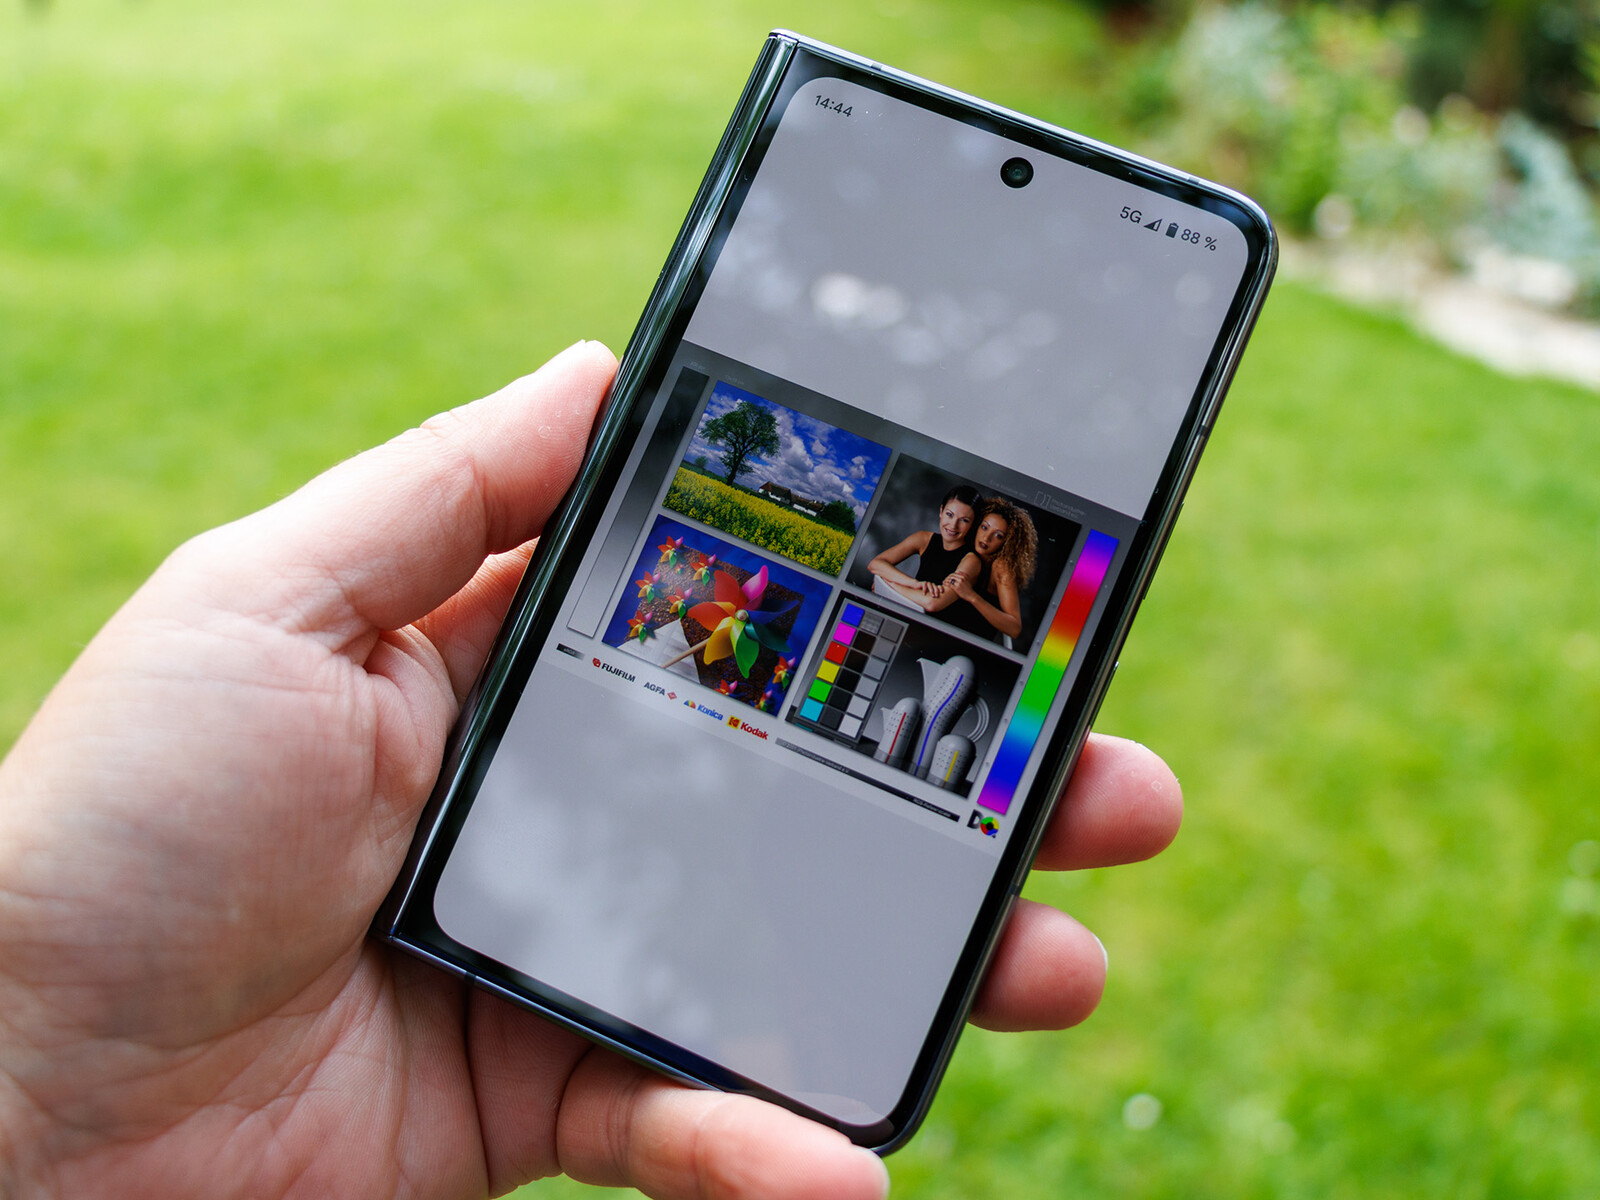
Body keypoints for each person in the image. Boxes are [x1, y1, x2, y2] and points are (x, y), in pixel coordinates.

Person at [0, 343, 1181, 1200]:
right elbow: (883, 567)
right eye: (971, 521)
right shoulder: (915, 537)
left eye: (989, 529)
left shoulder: (998, 569)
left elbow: (994, 614)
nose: (974, 532)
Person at [865, 483, 980, 610]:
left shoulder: (971, 561)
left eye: (964, 520)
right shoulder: (924, 539)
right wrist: (913, 583)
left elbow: (932, 603)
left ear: (973, 524)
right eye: (949, 514)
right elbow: (875, 564)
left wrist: (890, 584)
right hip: (907, 612)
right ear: (941, 511)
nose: (953, 525)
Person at [942, 496, 1039, 644]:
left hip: (969, 647)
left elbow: (1014, 628)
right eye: (984, 527)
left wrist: (971, 596)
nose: (987, 538)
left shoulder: (1001, 566)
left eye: (998, 535)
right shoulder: (966, 551)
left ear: (1007, 543)